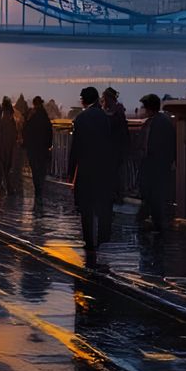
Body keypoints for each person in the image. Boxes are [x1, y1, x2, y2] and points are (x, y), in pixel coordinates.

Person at [68, 86, 115, 255]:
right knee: (102, 205)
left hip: (86, 168)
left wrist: (71, 169)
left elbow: (76, 148)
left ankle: (89, 241)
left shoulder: (81, 119)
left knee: (86, 207)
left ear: (85, 99)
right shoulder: (105, 117)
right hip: (103, 167)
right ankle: (103, 239)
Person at [138, 94, 175, 233]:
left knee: (153, 195)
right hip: (154, 165)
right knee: (152, 195)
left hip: (155, 165)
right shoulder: (161, 122)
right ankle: (153, 223)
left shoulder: (158, 123)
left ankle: (155, 224)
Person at [22, 94, 54, 204]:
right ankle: (40, 190)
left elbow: (26, 130)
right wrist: (49, 145)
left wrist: (25, 145)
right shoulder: (45, 117)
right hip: (43, 148)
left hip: (33, 148)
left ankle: (38, 190)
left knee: (35, 170)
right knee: (41, 170)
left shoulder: (32, 116)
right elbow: (49, 132)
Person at [101, 87, 130, 203]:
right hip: (116, 148)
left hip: (114, 148)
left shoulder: (114, 112)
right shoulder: (118, 111)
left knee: (115, 173)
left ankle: (116, 194)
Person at [0, 98, 17, 195]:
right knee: (6, 169)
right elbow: (14, 135)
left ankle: (1, 188)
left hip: (1, 149)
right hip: (9, 148)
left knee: (0, 170)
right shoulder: (11, 119)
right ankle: (8, 188)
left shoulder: (1, 119)